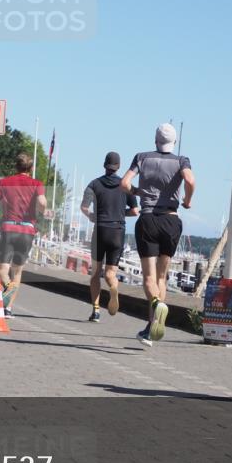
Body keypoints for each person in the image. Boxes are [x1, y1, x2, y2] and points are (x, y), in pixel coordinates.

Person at [121, 124, 195, 348]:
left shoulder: (141, 157)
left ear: (155, 140)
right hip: (171, 220)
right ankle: (151, 327)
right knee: (162, 278)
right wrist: (187, 201)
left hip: (148, 219)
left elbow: (124, 183)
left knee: (149, 279)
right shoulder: (182, 160)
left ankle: (155, 305)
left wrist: (136, 192)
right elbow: (190, 181)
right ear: (175, 141)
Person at [0, 153, 48, 318]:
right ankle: (8, 309)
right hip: (27, 231)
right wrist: (43, 210)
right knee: (17, 271)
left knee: (1, 269)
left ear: (16, 166)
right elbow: (42, 203)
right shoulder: (37, 184)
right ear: (31, 168)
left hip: (9, 228)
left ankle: (7, 287)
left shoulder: (4, 183)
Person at [81, 151, 139, 322]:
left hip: (100, 231)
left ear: (104, 165)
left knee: (95, 273)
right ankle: (113, 286)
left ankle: (96, 310)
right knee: (110, 273)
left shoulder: (94, 184)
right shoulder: (125, 186)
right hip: (117, 231)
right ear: (119, 166)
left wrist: (92, 216)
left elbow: (84, 207)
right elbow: (135, 211)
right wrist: (121, 213)